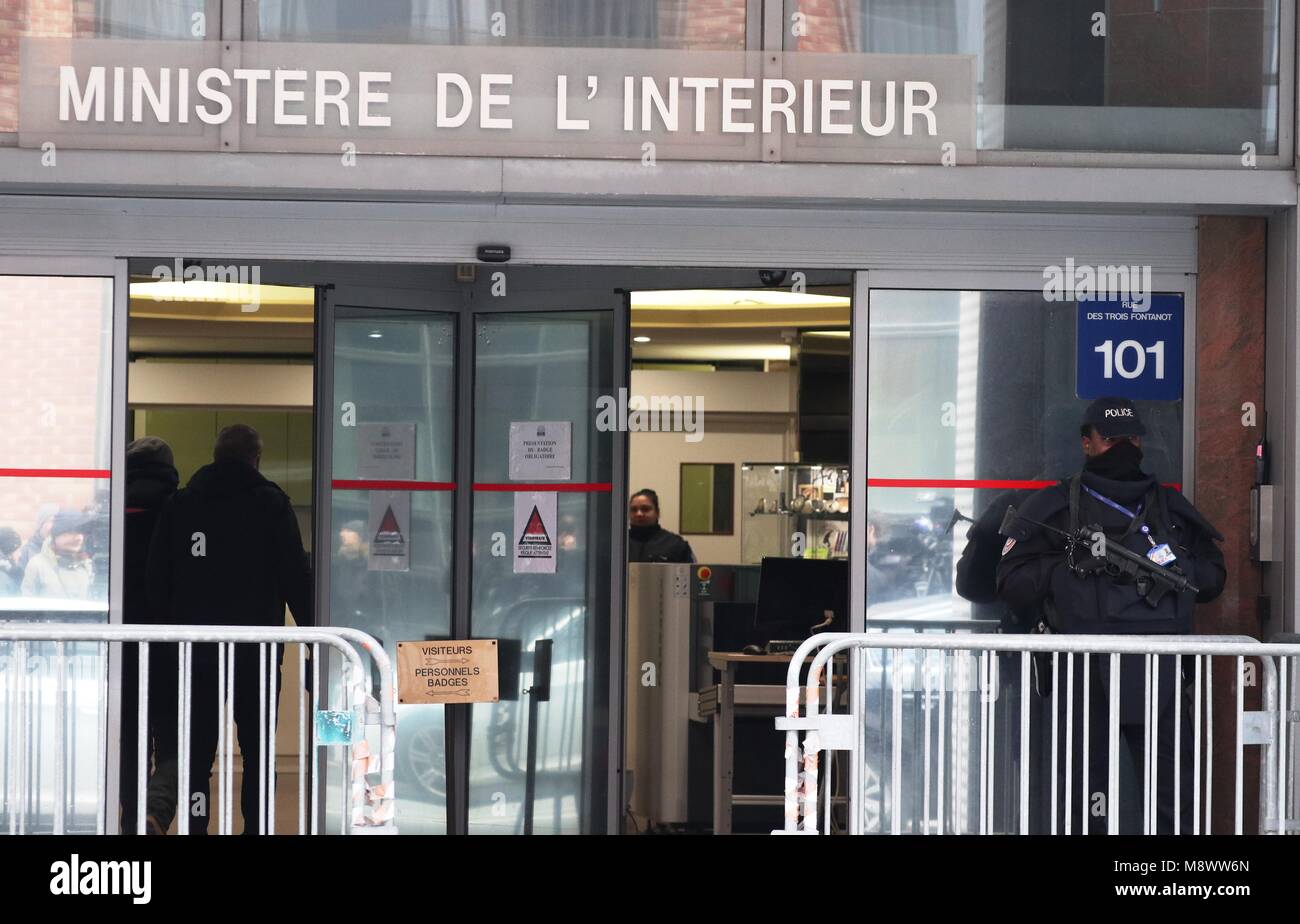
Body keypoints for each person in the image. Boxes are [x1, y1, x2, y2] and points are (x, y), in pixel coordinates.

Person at [996, 397, 1226, 834]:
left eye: (1131, 437)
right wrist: (1071, 569)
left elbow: (1212, 580)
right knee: (1087, 799)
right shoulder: (1057, 508)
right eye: (1111, 438)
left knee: (1172, 799)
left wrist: (1168, 566)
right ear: (1086, 443)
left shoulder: (1168, 510)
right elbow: (1011, 582)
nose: (1124, 445)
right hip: (1085, 674)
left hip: (1161, 674)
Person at [146, 423, 312, 834]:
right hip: (256, 653)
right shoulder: (272, 505)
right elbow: (296, 576)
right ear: (256, 458)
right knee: (258, 752)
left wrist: (164, 644)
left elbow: (157, 580)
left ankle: (198, 823)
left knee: (197, 752)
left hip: (194, 653)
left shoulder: (181, 505)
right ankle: (255, 828)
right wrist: (315, 639)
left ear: (215, 455)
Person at [118, 436, 179, 834]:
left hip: (121, 646)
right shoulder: (181, 507)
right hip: (174, 644)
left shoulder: (112, 507)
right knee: (176, 737)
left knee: (130, 737)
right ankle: (155, 812)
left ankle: (130, 819)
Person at [21, 509, 93, 599]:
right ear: (56, 535)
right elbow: (28, 604)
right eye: (71, 532)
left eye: (81, 533)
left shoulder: (89, 566)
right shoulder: (37, 565)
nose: (79, 538)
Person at [627, 489, 695, 563]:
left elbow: (691, 572)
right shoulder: (619, 542)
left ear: (657, 513)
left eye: (645, 509)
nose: (639, 514)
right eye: (633, 510)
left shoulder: (676, 544)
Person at [0, 527, 22, 596]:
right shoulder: (3, 579)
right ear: (9, 552)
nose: (20, 554)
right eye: (17, 550)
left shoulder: (11, 570)